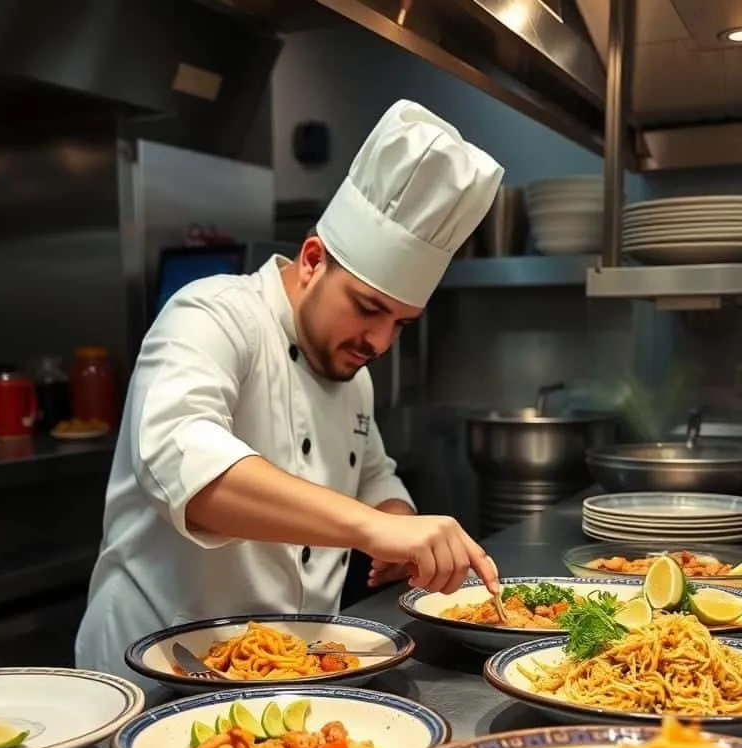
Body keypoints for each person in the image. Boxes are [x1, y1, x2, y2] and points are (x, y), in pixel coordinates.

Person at [75, 99, 504, 686]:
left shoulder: (352, 371)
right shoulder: (212, 314)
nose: (380, 341)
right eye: (368, 308)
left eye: (401, 324)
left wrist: (398, 522)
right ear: (312, 260)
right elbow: (185, 464)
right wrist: (369, 528)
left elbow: (372, 474)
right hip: (158, 666)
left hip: (291, 670)